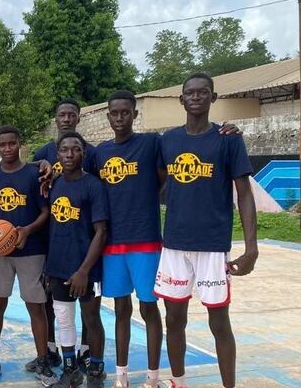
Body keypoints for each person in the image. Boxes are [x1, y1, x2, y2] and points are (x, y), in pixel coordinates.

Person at [154, 73, 258, 388]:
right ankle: (178, 382)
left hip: (213, 244)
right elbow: (156, 182)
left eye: (203, 92)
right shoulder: (167, 140)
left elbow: (245, 193)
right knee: (173, 319)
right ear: (181, 99)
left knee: (219, 322)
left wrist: (251, 247)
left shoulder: (228, 138)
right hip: (174, 244)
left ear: (213, 98)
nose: (196, 97)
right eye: (190, 92)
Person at [0, 126, 57, 387]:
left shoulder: (34, 174)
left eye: (12, 143)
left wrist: (27, 230)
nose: (8, 149)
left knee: (36, 307)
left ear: (19, 144)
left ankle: (43, 360)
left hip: (31, 250)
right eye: (3, 145)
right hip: (0, 252)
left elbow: (46, 211)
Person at [95, 90, 163, 388]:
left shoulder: (150, 144)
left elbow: (163, 177)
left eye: (125, 112)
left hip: (145, 240)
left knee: (148, 307)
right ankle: (121, 375)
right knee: (121, 309)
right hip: (112, 243)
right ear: (108, 115)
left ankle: (152, 377)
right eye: (114, 113)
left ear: (135, 115)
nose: (119, 117)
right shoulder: (99, 152)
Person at [31, 98, 98, 372]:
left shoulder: (91, 154)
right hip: (52, 235)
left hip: (81, 235)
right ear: (55, 118)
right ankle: (49, 349)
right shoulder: (43, 153)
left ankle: (86, 349)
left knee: (87, 300)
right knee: (50, 296)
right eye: (62, 114)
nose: (67, 118)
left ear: (79, 118)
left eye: (72, 114)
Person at [45, 131, 108, 388]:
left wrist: (83, 271)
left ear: (84, 153)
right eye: (65, 150)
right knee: (63, 318)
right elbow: (53, 228)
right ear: (58, 154)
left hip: (87, 269)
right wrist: (49, 268)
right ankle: (70, 370)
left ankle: (96, 369)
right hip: (59, 265)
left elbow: (101, 231)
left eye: (76, 149)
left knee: (91, 318)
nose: (70, 154)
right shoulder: (55, 184)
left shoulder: (93, 185)